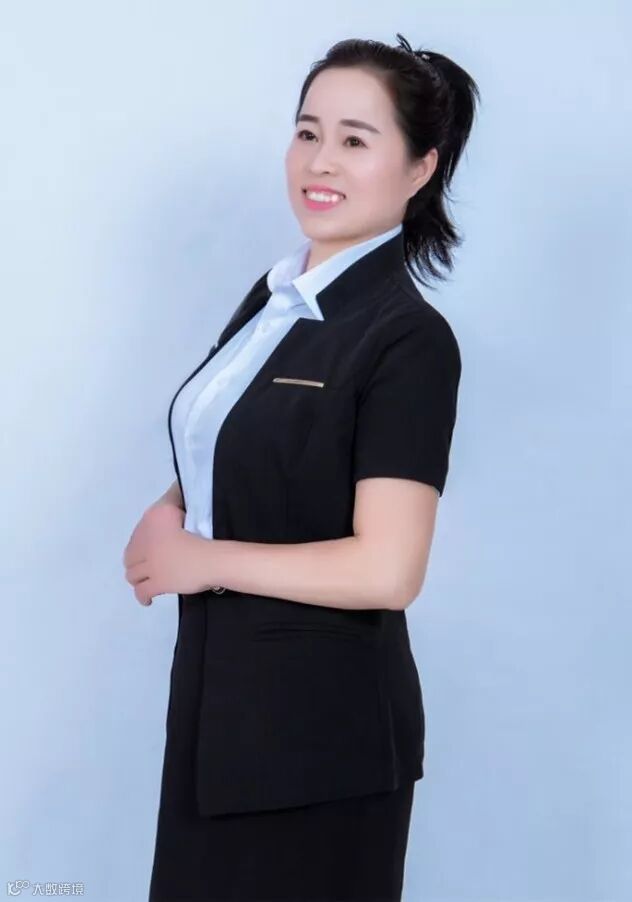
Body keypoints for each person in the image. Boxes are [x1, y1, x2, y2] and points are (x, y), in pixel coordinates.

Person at [124, 32, 480, 902]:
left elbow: (388, 569)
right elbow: (249, 438)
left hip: (318, 745)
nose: (320, 161)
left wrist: (200, 559)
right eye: (308, 132)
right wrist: (172, 502)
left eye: (356, 140)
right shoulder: (278, 297)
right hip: (217, 719)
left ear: (420, 167)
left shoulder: (408, 339)